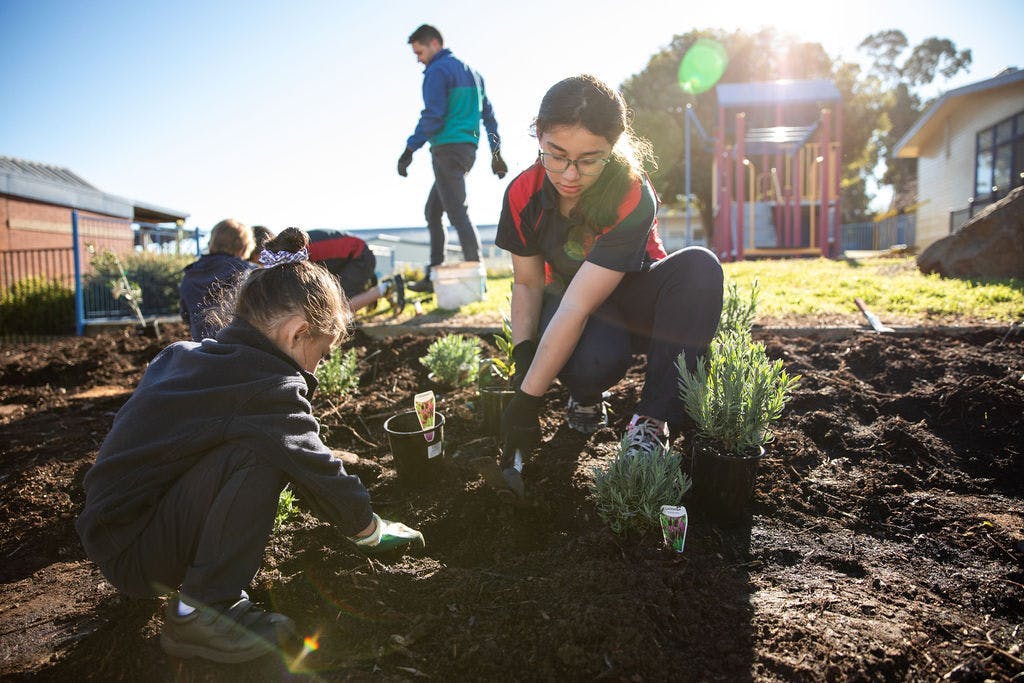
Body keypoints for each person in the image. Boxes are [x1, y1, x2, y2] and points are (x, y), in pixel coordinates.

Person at [76, 228, 425, 664]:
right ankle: (202, 612)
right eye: (322, 351)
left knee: (257, 443)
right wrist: (370, 529)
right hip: (138, 554)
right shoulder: (268, 385)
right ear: (298, 334)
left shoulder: (187, 354)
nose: (318, 365)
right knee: (261, 453)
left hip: (116, 533)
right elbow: (315, 467)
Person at [495, 75, 724, 469]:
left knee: (700, 268)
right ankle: (585, 395)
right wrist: (522, 368)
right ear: (538, 134)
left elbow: (578, 307)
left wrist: (529, 400)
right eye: (557, 154)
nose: (570, 175)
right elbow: (529, 283)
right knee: (594, 362)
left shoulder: (632, 192)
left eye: (589, 160)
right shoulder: (522, 194)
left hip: (636, 304)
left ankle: (653, 421)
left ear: (613, 147)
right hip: (574, 304)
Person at [398, 23, 508, 293]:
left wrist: (409, 150)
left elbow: (433, 116)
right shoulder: (475, 74)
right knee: (434, 211)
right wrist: (496, 153)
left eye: (420, 52)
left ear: (434, 43)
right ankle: (435, 273)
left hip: (447, 149)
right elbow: (490, 118)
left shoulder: (437, 71)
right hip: (467, 151)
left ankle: (476, 275)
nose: (418, 59)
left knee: (457, 211)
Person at [179, 218, 257, 341]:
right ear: (244, 247)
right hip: (240, 349)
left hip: (203, 350)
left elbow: (185, 316)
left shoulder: (190, 274)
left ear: (212, 242)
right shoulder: (250, 272)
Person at [306, 228, 405, 316]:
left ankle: (387, 287)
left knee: (338, 306)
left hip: (360, 256)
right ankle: (369, 288)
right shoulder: (296, 247)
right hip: (347, 258)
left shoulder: (296, 254)